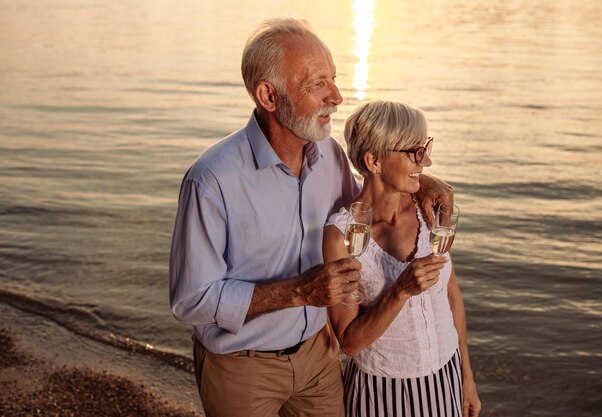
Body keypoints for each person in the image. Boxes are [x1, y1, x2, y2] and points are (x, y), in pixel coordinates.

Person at [169, 19, 453, 417]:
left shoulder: (331, 157)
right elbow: (191, 300)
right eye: (317, 84)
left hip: (319, 360)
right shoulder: (212, 180)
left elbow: (365, 203)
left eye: (333, 79)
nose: (336, 96)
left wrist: (421, 181)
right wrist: (299, 292)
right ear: (269, 95)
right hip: (242, 368)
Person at [323, 100, 481, 417]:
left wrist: (466, 376)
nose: (427, 161)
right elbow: (350, 343)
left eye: (425, 147)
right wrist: (401, 291)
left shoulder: (431, 209)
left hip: (446, 374)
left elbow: (451, 297)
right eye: (415, 152)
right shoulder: (341, 236)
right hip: (382, 391)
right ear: (374, 161)